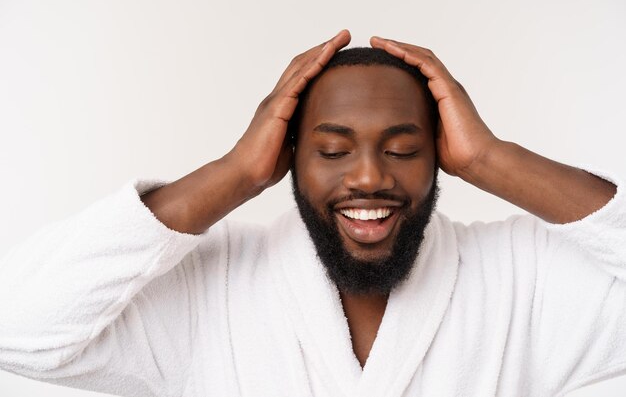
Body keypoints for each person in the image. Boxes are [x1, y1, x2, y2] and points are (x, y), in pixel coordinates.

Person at [0, 29, 624, 397]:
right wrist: (233, 173)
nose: (369, 176)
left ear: (441, 155)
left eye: (404, 149)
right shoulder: (207, 288)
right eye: (331, 150)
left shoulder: (521, 281)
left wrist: (494, 159)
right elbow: (17, 326)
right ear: (289, 155)